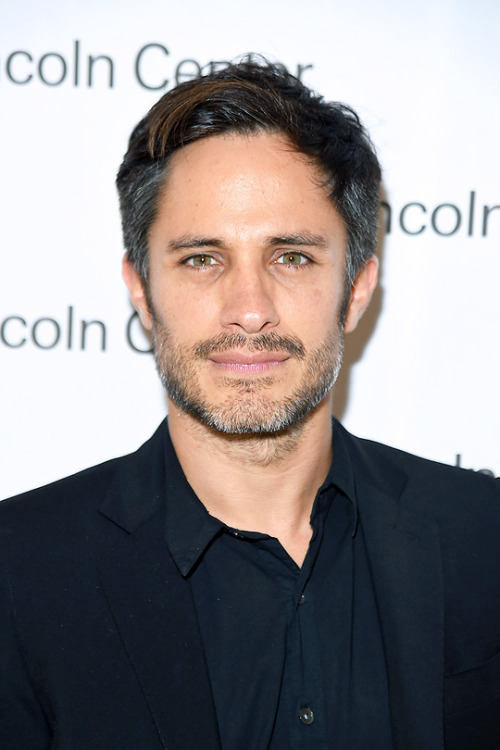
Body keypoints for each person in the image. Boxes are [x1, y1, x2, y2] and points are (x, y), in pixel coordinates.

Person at [1, 59, 499, 750]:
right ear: (141, 290)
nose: (250, 311)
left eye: (290, 256)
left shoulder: (485, 536)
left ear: (356, 289)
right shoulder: (19, 572)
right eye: (202, 258)